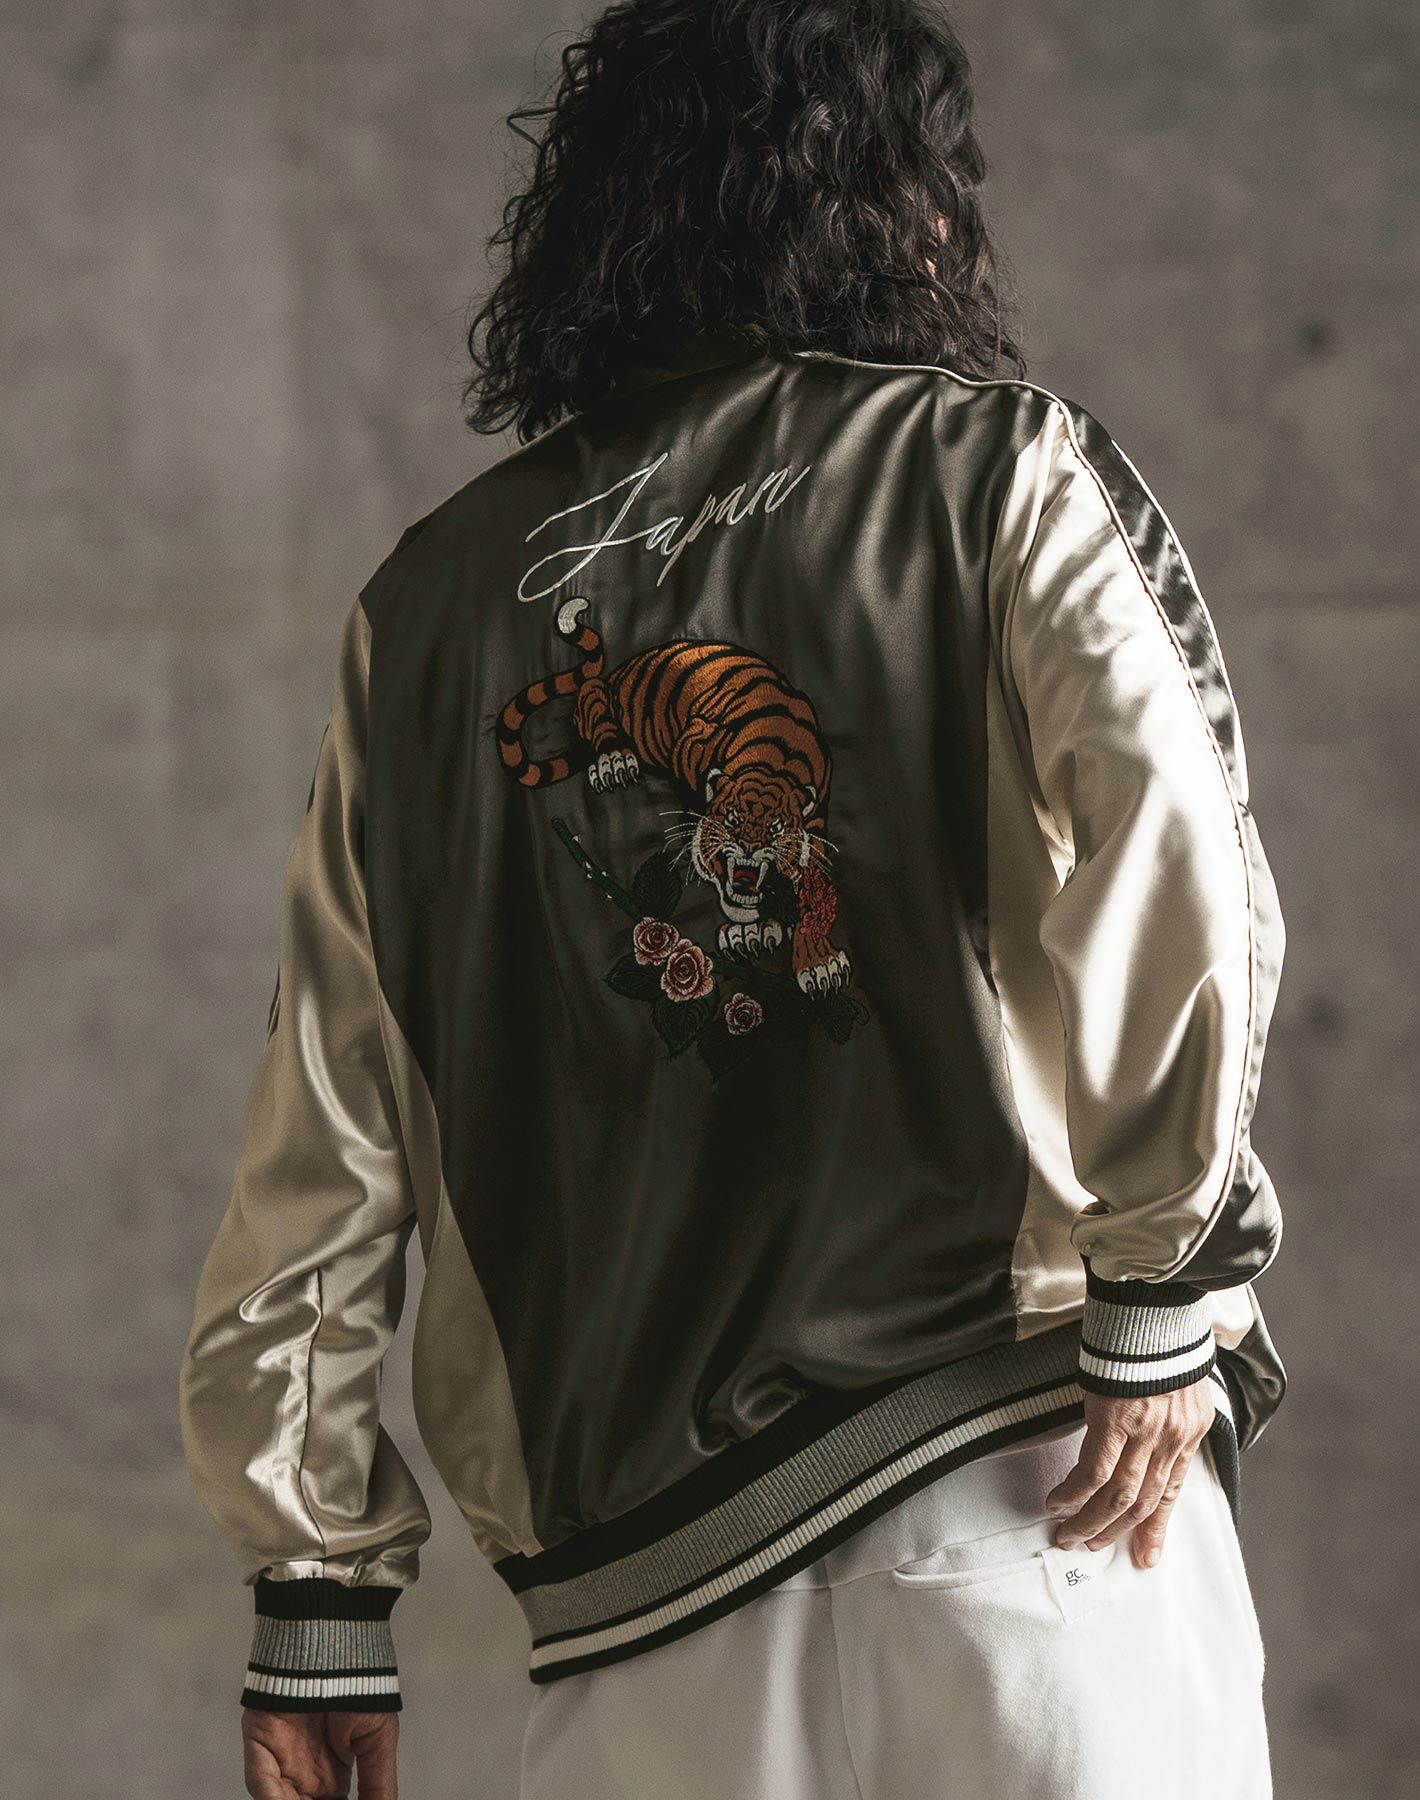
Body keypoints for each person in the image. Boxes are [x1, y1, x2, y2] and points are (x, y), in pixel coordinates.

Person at [179, 2, 1289, 1795]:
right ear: (906, 203)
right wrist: (1167, 1273)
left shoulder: (424, 614)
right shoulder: (999, 468)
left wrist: (318, 1595)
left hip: (645, 1647)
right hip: (1038, 1519)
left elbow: (326, 1126)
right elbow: (1178, 847)